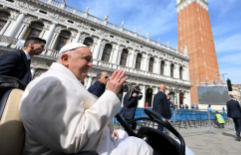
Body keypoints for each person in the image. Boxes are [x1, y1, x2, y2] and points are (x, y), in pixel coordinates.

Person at [19, 43, 153, 155]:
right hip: (84, 151)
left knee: (126, 136)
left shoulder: (63, 81)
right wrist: (110, 95)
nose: (91, 64)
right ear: (65, 59)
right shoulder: (53, 84)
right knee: (141, 147)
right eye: (86, 59)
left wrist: (109, 131)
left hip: (92, 145)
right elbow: (71, 140)